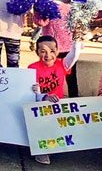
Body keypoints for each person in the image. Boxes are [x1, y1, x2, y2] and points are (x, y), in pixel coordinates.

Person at [29, 35, 83, 165]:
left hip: (58, 106)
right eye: (43, 51)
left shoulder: (62, 64)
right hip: (40, 105)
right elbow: (29, 93)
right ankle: (40, 150)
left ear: (58, 51)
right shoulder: (32, 68)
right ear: (37, 52)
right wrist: (43, 95)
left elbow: (74, 55)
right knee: (42, 126)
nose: (48, 55)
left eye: (52, 51)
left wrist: (76, 40)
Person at [32, 0, 77, 97]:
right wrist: (43, 13)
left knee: (71, 79)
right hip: (51, 46)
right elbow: (38, 22)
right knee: (50, 78)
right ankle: (49, 103)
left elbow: (77, 19)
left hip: (68, 45)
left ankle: (74, 105)